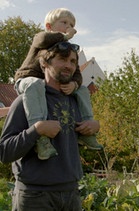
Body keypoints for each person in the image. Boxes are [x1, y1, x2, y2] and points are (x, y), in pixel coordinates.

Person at [0, 41, 99, 210]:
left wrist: (94, 126)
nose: (69, 66)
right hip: (35, 197)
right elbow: (4, 152)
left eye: (73, 62)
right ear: (44, 63)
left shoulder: (75, 101)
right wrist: (36, 130)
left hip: (71, 193)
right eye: (62, 59)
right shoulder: (26, 101)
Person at [14, 8, 103, 160]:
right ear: (49, 26)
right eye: (64, 23)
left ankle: (86, 129)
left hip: (47, 86)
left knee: (82, 89)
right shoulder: (41, 38)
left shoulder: (67, 49)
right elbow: (43, 40)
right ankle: (41, 137)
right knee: (35, 84)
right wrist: (65, 36)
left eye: (72, 24)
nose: (69, 27)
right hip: (28, 81)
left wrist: (74, 85)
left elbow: (77, 75)